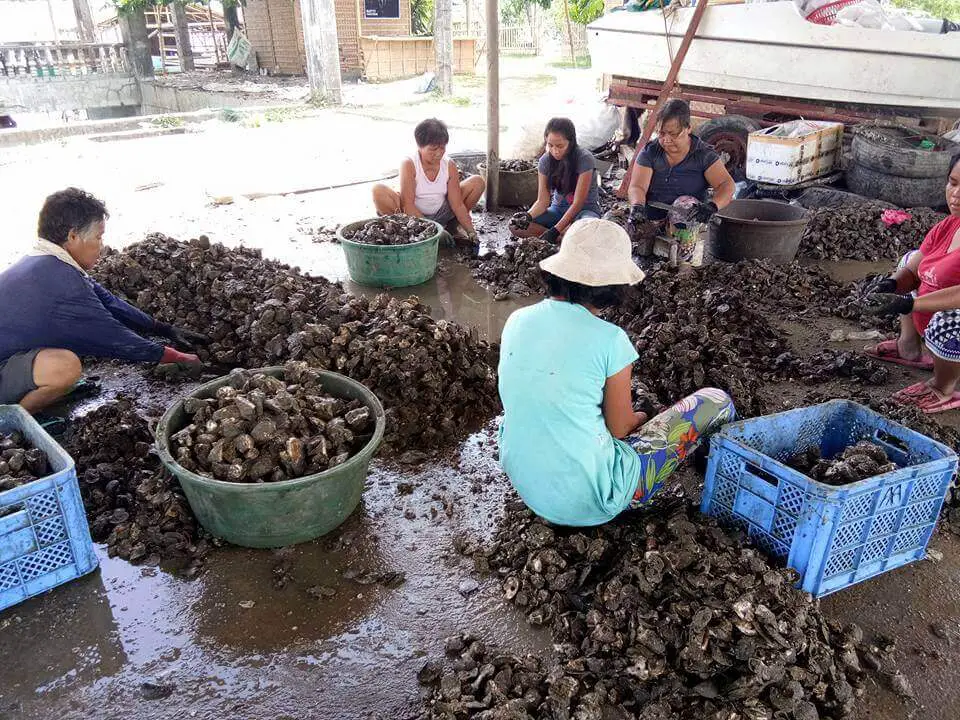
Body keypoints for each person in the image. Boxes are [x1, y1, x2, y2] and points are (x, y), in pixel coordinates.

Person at [497, 219, 736, 526]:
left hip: (527, 483)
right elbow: (620, 429)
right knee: (716, 401)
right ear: (612, 288)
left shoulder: (517, 319)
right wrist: (643, 416)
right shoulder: (611, 340)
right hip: (591, 500)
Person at [0, 188, 206, 413]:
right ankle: (10, 423)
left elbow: (108, 301)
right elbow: (113, 337)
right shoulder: (60, 282)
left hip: (10, 355)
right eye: (98, 237)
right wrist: (172, 356)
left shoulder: (47, 262)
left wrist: (162, 328)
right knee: (65, 367)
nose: (102, 246)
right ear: (73, 236)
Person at [862, 153, 960, 414]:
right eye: (953, 182)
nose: (955, 194)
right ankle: (909, 348)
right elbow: (914, 269)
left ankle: (944, 387)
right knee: (910, 261)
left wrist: (910, 303)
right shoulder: (948, 226)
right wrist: (891, 286)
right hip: (931, 307)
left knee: (950, 320)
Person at [625, 99, 736, 238]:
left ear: (688, 128)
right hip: (653, 218)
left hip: (687, 222)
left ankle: (682, 248)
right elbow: (637, 186)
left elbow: (726, 185)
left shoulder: (703, 154)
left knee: (685, 203)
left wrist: (712, 206)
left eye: (673, 134)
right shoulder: (650, 152)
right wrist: (637, 206)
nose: (666, 140)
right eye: (661, 133)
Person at [372, 118, 485, 243]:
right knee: (378, 190)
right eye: (433, 149)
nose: (438, 153)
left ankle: (452, 228)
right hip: (413, 217)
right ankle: (405, 236)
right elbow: (407, 205)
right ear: (420, 146)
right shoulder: (409, 163)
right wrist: (434, 229)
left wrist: (471, 231)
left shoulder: (449, 165)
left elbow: (457, 204)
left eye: (442, 148)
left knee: (477, 182)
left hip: (442, 213)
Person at [509, 118, 602, 244]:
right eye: (550, 145)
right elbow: (542, 201)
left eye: (560, 146)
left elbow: (578, 203)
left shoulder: (584, 159)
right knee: (515, 225)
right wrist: (527, 216)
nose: (555, 151)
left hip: (584, 212)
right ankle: (564, 240)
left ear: (571, 142)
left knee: (589, 227)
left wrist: (555, 230)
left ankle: (563, 237)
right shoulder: (545, 161)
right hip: (557, 211)